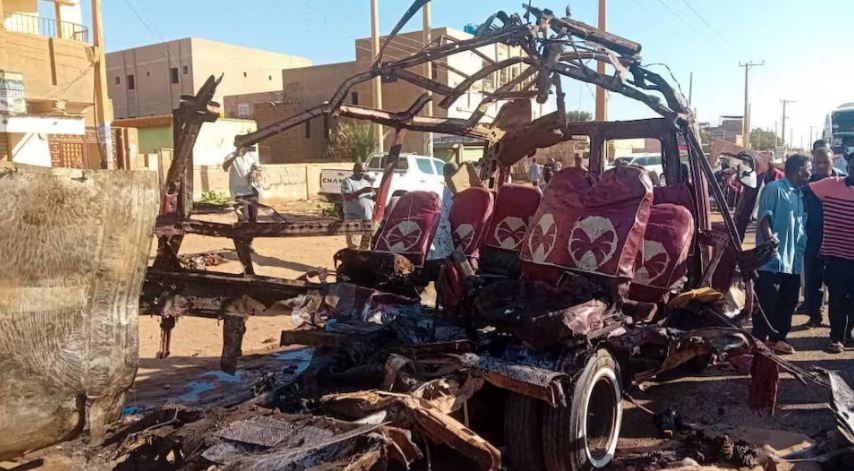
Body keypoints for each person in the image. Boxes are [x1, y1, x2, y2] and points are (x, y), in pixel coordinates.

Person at [752, 154, 811, 355]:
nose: (810, 173)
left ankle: (779, 339)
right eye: (808, 169)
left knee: (788, 300)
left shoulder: (798, 195)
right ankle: (758, 340)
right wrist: (770, 242)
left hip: (792, 261)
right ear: (798, 169)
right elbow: (764, 217)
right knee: (767, 301)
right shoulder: (774, 189)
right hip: (772, 261)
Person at [807, 153, 854, 353]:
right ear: (848, 166)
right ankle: (836, 337)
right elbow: (802, 193)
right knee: (837, 297)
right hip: (836, 256)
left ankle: (848, 333)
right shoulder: (830, 184)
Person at [802, 145, 842, 327]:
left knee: (837, 282)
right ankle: (814, 316)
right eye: (817, 162)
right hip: (813, 238)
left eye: (825, 161)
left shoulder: (844, 179)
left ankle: (838, 324)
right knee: (812, 280)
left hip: (838, 240)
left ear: (832, 161)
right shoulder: (807, 183)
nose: (821, 165)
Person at [223, 145, 262, 224]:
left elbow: (259, 168)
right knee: (244, 217)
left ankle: (250, 235)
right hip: (239, 191)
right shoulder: (231, 156)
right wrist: (236, 155)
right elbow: (225, 167)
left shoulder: (252, 155)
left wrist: (254, 172)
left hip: (252, 189)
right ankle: (242, 235)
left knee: (253, 218)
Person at [341, 161, 376, 250]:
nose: (362, 173)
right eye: (360, 171)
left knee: (365, 247)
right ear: (354, 170)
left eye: (364, 171)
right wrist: (362, 191)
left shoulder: (366, 182)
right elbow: (347, 197)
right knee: (353, 246)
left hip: (367, 220)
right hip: (353, 219)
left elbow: (372, 198)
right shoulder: (348, 181)